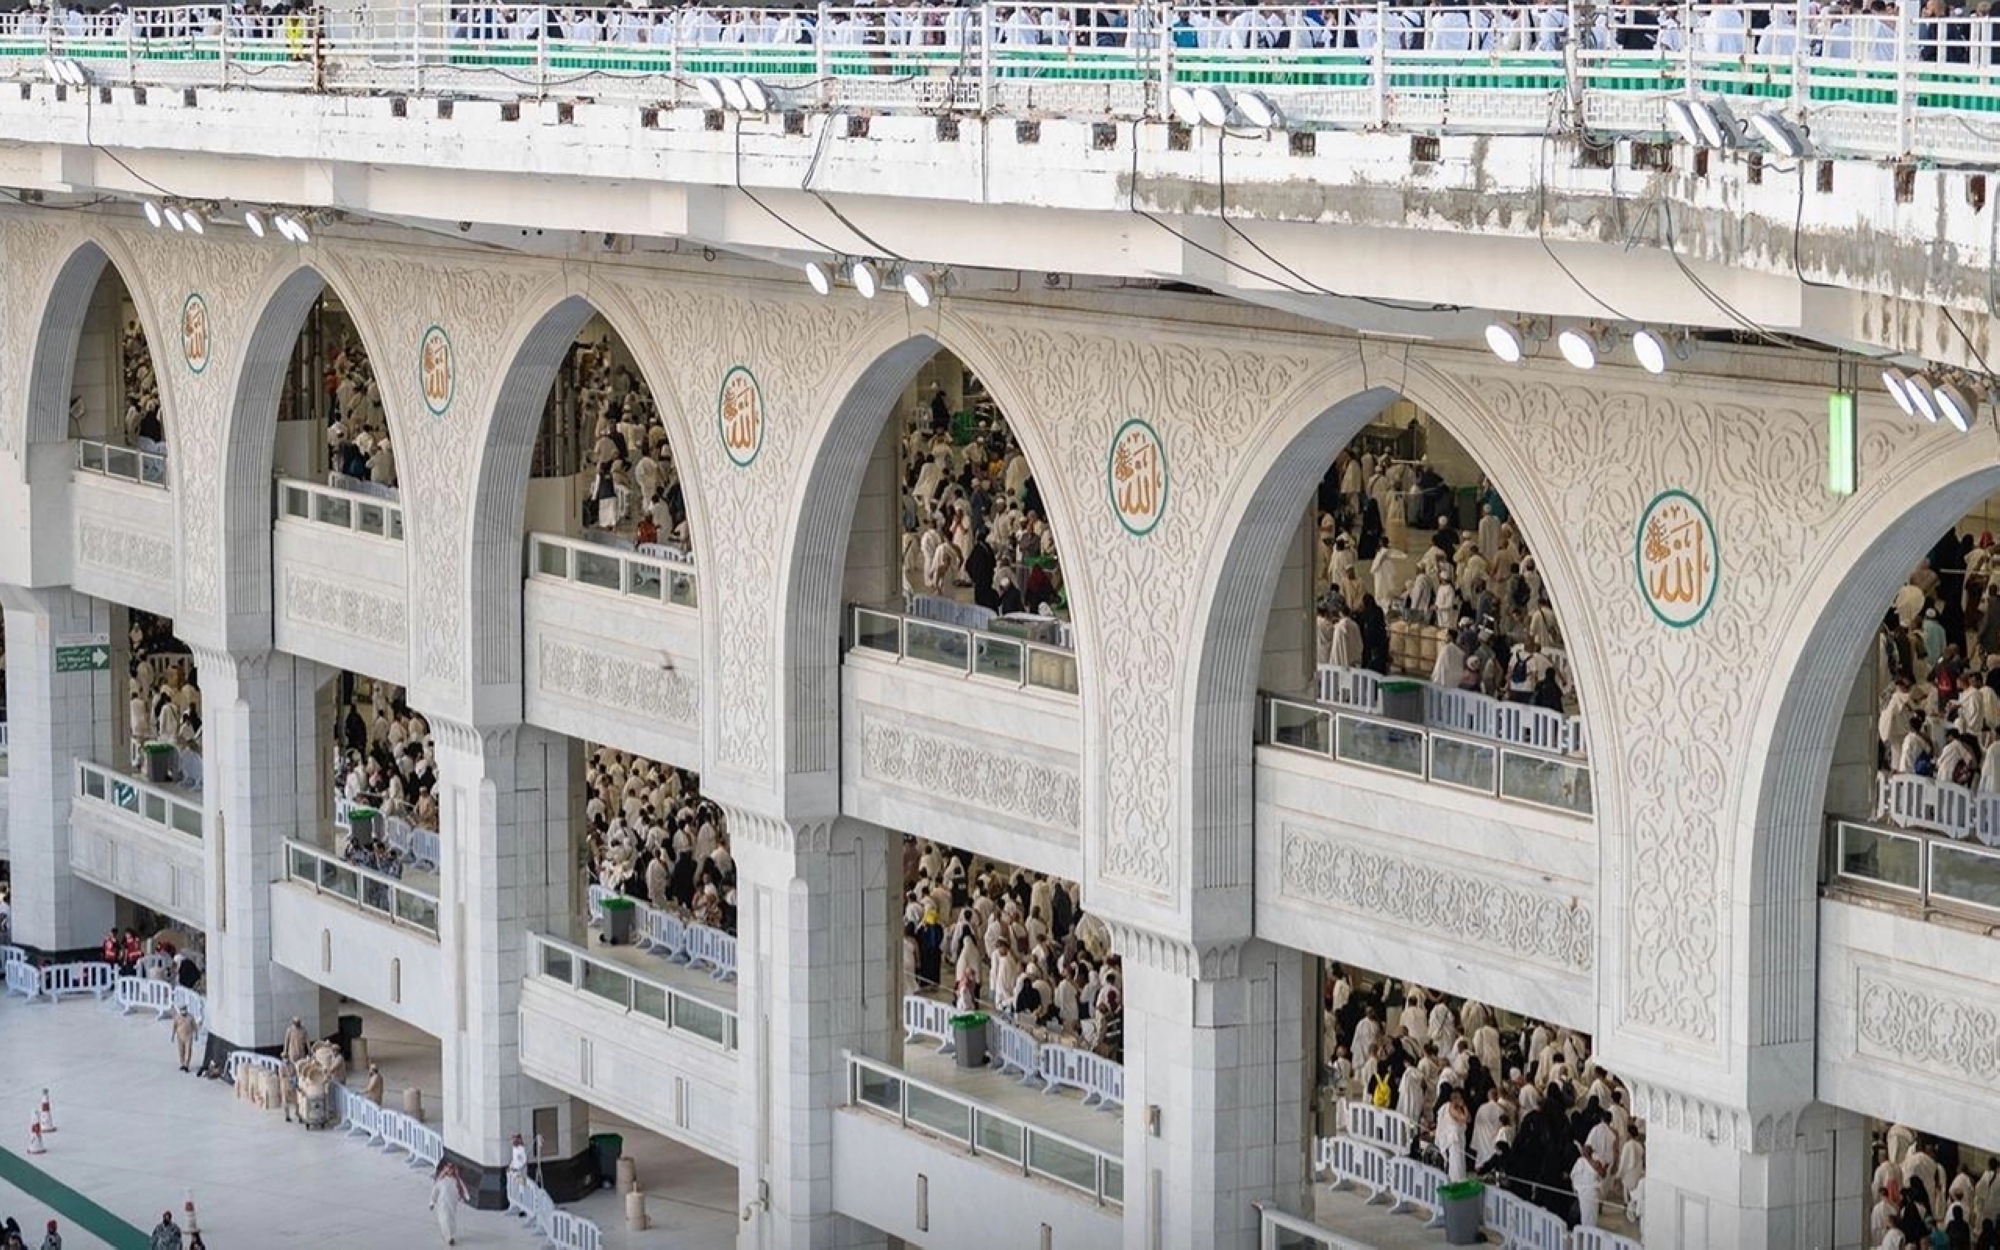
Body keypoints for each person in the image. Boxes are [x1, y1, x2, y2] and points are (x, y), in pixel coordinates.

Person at [430, 1161, 469, 1245]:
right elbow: (435, 1191)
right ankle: (448, 1238)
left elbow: (463, 1189)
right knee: (444, 1219)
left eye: (451, 1168)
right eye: (448, 1168)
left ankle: (451, 1235)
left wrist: (466, 1197)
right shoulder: (441, 1181)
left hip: (452, 1204)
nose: (449, 1170)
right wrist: (432, 1202)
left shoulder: (457, 1181)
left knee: (451, 1220)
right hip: (442, 1204)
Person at [172, 1008, 197, 1073]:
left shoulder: (190, 1017)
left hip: (188, 1036)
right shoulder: (177, 1017)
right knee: (181, 1051)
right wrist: (173, 1036)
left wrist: (196, 1035)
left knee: (188, 1050)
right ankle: (182, 1063)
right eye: (182, 1010)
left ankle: (187, 1065)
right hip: (180, 1037)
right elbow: (174, 1026)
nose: (184, 1012)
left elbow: (194, 1026)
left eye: (184, 1010)